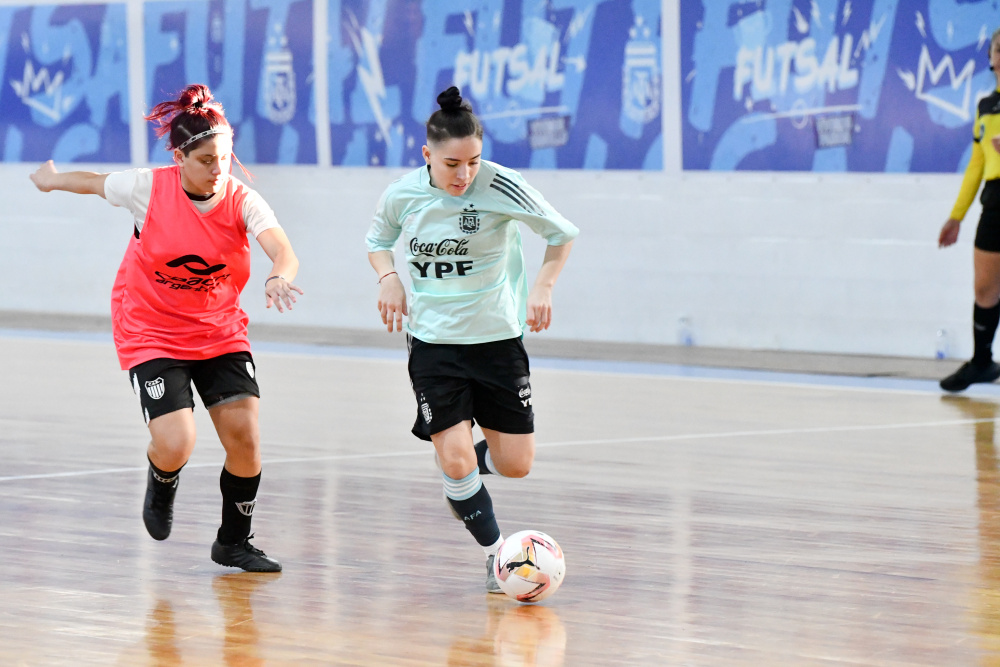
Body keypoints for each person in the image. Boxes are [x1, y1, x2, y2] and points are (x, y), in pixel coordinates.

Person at [29, 83, 303, 572]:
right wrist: (51, 180)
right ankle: (162, 479)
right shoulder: (147, 188)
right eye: (206, 160)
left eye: (224, 156)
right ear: (180, 158)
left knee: (245, 437)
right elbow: (93, 181)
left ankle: (233, 543)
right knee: (177, 440)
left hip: (217, 330)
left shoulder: (241, 200)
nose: (218, 169)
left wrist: (280, 272)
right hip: (150, 327)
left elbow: (282, 248)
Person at [365, 86, 579, 592]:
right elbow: (377, 241)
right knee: (456, 456)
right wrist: (387, 277)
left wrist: (543, 286)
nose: (464, 175)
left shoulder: (503, 185)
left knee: (516, 464)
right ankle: (495, 553)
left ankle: (460, 477)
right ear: (427, 156)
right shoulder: (402, 194)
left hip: (498, 340)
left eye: (473, 162)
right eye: (452, 164)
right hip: (434, 344)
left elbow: (561, 234)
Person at [939, 28, 1000, 392]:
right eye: (998, 47)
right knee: (985, 289)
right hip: (995, 199)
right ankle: (982, 362)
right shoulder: (985, 106)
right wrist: (956, 216)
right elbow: (977, 164)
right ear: (991, 57)